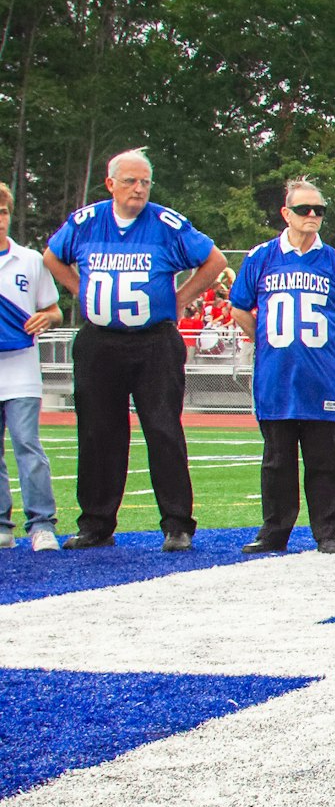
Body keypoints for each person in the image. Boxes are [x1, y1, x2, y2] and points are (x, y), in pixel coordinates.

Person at [43, 147, 227, 552]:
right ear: (110, 184)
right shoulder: (87, 221)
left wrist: (181, 298)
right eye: (130, 180)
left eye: (145, 181)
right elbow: (53, 258)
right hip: (100, 339)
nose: (138, 188)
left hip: (154, 339)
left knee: (163, 430)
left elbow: (214, 260)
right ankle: (96, 523)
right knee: (97, 433)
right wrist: (80, 289)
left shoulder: (166, 223)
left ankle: (177, 524)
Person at [230, 180, 335, 555]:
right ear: (285, 213)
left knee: (326, 457)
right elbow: (240, 306)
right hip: (275, 372)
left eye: (318, 210)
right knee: (276, 459)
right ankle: (275, 531)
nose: (313, 216)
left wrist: (314, 338)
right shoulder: (260, 257)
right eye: (304, 209)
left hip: (318, 373)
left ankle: (328, 532)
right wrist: (267, 337)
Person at [0, 182, 63, 551]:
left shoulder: (30, 260)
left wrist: (46, 318)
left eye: (4, 212)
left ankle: (41, 524)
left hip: (22, 372)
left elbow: (52, 307)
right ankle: (2, 526)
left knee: (27, 445)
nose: (0, 220)